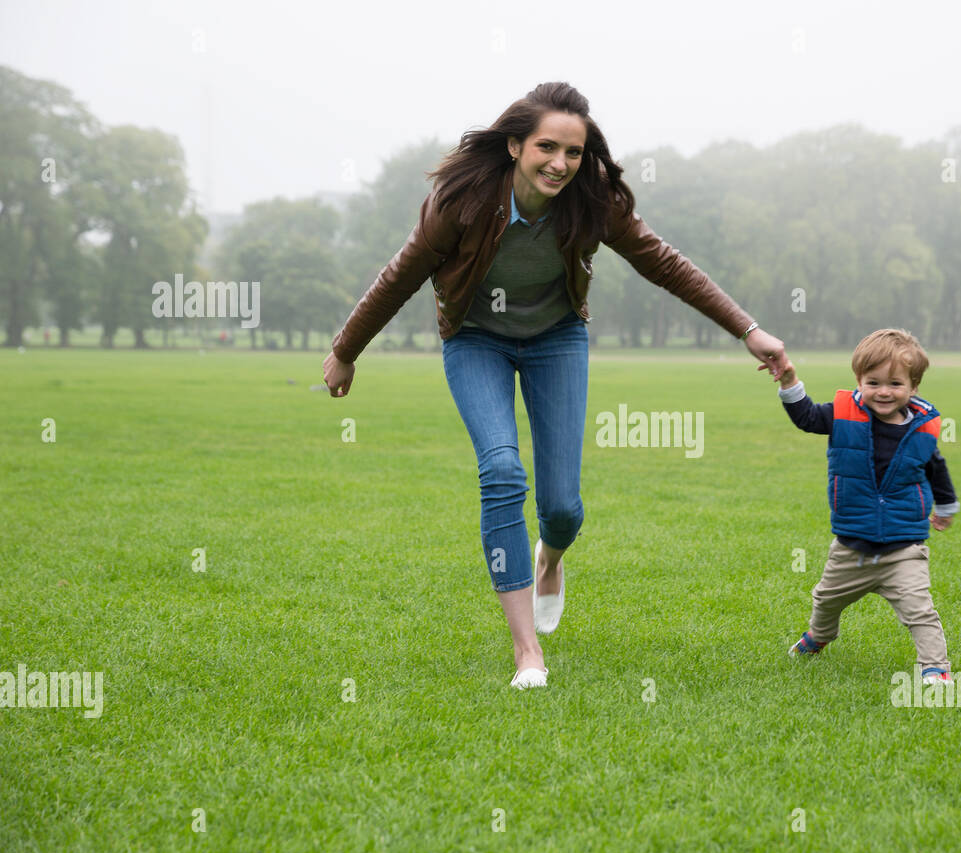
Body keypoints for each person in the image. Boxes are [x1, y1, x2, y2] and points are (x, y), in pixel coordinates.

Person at [322, 81, 791, 689]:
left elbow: (663, 262)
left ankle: (551, 557)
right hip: (476, 341)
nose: (560, 164)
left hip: (556, 339)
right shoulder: (461, 200)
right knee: (501, 473)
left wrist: (748, 329)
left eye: (573, 152)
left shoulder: (593, 200)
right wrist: (345, 351)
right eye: (547, 147)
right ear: (515, 145)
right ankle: (527, 654)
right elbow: (401, 275)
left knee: (563, 509)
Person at [777, 328, 959, 684]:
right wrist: (789, 383)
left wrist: (947, 506)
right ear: (859, 381)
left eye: (895, 383)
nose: (884, 392)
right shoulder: (842, 415)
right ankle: (819, 637)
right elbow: (807, 418)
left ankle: (935, 669)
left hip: (903, 548)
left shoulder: (922, 429)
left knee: (920, 611)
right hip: (851, 548)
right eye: (873, 382)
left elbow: (936, 467)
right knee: (825, 601)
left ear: (914, 386)